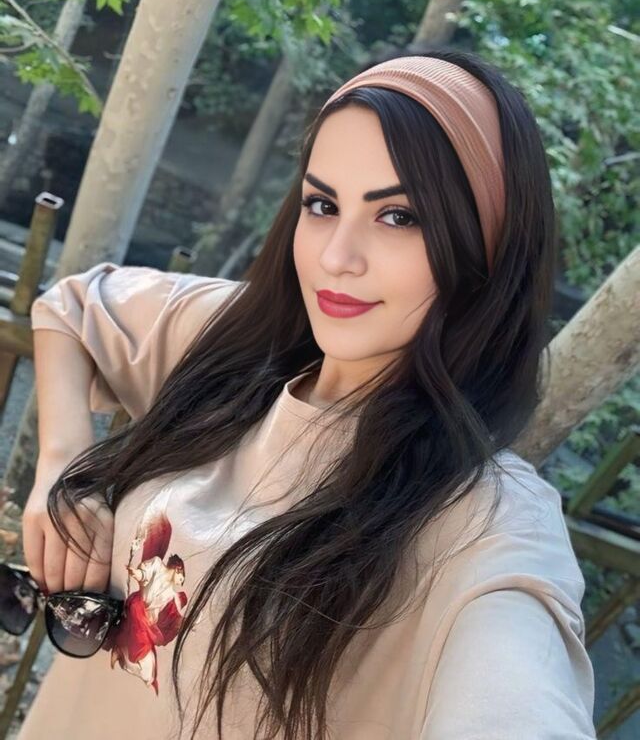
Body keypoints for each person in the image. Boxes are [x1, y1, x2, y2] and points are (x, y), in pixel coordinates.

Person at [18, 49, 596, 740]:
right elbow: (73, 307)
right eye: (322, 205)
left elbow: (518, 696)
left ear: (485, 248)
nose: (335, 257)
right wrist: (62, 467)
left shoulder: (488, 522)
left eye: (399, 216)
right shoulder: (246, 348)